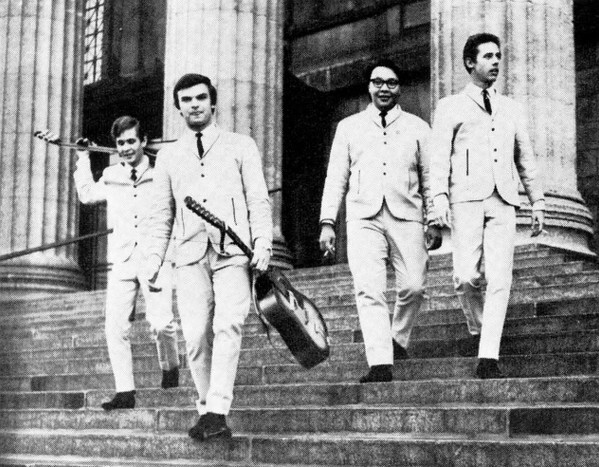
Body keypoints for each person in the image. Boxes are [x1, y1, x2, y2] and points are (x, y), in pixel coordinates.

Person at [143, 73, 273, 440]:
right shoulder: (168, 156)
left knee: (228, 324)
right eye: (186, 100)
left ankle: (217, 411)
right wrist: (153, 261)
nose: (194, 104)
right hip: (188, 255)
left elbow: (257, 199)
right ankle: (205, 408)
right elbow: (161, 214)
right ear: (178, 108)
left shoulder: (240, 145)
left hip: (233, 252)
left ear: (213, 102)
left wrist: (263, 243)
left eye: (200, 97)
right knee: (196, 334)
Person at [429, 33, 545, 379]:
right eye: (488, 56)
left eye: (498, 56)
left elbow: (525, 158)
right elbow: (438, 158)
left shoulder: (512, 108)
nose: (495, 62)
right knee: (465, 277)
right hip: (465, 199)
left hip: (503, 200)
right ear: (470, 63)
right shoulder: (450, 106)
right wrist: (439, 199)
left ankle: (488, 355)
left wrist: (537, 201)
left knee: (499, 278)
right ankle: (482, 328)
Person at [319, 59, 441, 384]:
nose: (384, 88)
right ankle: (380, 363)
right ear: (368, 87)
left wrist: (434, 219)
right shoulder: (349, 127)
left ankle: (397, 337)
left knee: (414, 286)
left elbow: (430, 178)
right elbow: (336, 177)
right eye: (377, 82)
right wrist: (327, 222)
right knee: (369, 289)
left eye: (391, 82)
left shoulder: (419, 128)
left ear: (400, 88)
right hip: (363, 217)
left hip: (408, 215)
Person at [74, 116, 180, 411]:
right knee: (114, 327)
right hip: (121, 260)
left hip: (156, 258)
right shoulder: (111, 175)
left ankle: (170, 366)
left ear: (143, 141)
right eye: (120, 143)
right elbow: (86, 195)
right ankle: (125, 391)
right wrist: (83, 158)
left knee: (162, 324)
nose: (125, 148)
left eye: (131, 141)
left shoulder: (161, 173)